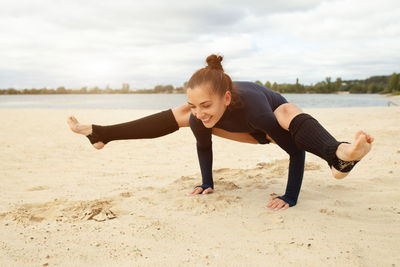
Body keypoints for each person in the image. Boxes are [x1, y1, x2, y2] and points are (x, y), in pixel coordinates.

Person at [68, 54, 373, 211]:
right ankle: (101, 134)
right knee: (185, 116)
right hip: (239, 128)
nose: (199, 111)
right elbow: (204, 147)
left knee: (287, 111)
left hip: (271, 128)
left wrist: (290, 196)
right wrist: (207, 183)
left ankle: (339, 155)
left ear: (226, 98)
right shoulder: (201, 114)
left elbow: (295, 150)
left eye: (205, 104)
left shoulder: (256, 109)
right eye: (194, 103)